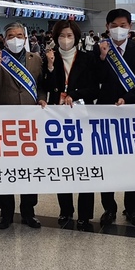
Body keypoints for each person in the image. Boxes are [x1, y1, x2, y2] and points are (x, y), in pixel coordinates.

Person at [0, 21, 48, 229]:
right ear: (4, 39)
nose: (16, 39)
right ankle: (5, 213)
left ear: (26, 38)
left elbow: (41, 85)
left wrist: (41, 98)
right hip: (5, 123)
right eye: (11, 36)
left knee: (29, 168)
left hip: (30, 123)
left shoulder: (36, 59)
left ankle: (29, 211)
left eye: (20, 35)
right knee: (5, 168)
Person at [96, 9, 135, 227]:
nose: (118, 29)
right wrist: (102, 59)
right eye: (114, 25)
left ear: (130, 26)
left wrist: (127, 98)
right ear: (107, 26)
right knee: (108, 162)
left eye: (123, 24)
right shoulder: (99, 49)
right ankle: (108, 208)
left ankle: (133, 208)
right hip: (106, 114)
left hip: (134, 112)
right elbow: (94, 82)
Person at [46, 20, 99, 230]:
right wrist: (50, 67)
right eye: (61, 35)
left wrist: (73, 95)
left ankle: (85, 215)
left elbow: (94, 89)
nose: (65, 39)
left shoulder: (87, 58)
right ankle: (65, 211)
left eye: (69, 35)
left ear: (76, 37)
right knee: (63, 168)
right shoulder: (51, 58)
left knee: (85, 168)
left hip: (83, 118)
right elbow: (47, 87)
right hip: (58, 121)